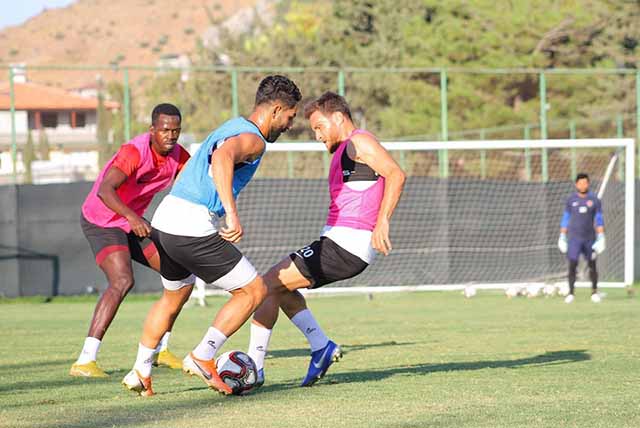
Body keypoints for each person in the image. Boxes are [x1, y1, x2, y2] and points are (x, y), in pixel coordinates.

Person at [122, 75, 302, 396]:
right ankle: (203, 356)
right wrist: (231, 213)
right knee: (254, 290)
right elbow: (221, 158)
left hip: (166, 218)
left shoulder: (232, 125)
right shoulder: (254, 139)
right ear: (276, 110)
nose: (290, 125)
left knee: (173, 297)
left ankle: (140, 370)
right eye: (290, 116)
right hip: (191, 223)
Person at [246, 91, 406, 388]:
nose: (318, 135)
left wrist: (382, 221)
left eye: (319, 127)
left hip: (347, 245)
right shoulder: (345, 149)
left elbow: (396, 174)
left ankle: (254, 368)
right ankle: (321, 347)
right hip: (339, 242)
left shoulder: (360, 141)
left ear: (338, 118)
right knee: (281, 288)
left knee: (266, 286)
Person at [70, 104, 191, 377]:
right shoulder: (134, 152)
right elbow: (105, 190)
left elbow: (193, 184)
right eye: (165, 130)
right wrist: (133, 218)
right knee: (122, 280)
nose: (171, 136)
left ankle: (160, 349)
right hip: (102, 220)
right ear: (152, 130)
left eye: (176, 130)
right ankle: (85, 360)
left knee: (181, 274)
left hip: (131, 220)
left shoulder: (179, 156)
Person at [557, 173, 606, 304]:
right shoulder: (571, 200)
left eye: (585, 183)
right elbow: (566, 218)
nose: (583, 185)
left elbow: (599, 219)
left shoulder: (594, 200)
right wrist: (562, 236)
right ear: (576, 184)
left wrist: (601, 236)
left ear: (588, 184)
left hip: (590, 239)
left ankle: (594, 292)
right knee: (572, 265)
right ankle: (571, 293)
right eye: (580, 183)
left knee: (592, 265)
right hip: (574, 239)